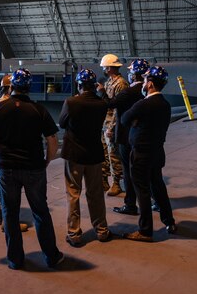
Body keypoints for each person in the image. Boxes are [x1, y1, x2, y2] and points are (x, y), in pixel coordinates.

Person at [0, 69, 64, 270]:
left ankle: (15, 260)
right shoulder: (38, 110)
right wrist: (47, 160)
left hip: (6, 168)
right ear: (29, 87)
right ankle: (51, 257)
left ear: (11, 86)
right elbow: (52, 140)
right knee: (40, 211)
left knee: (10, 213)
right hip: (33, 167)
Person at [120, 66, 178, 242]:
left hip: (141, 155)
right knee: (158, 188)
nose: (143, 83)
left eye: (145, 80)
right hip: (157, 152)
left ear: (150, 83)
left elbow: (124, 120)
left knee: (142, 191)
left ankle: (145, 231)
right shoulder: (165, 104)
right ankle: (169, 222)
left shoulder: (143, 104)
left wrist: (136, 123)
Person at [59, 69, 111, 247]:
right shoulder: (102, 104)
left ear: (79, 85)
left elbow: (62, 123)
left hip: (74, 154)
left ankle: (74, 234)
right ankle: (102, 229)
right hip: (94, 154)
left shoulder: (71, 102)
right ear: (94, 85)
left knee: (73, 193)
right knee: (95, 193)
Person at [103, 59, 149, 216]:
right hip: (140, 135)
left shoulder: (127, 90)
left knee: (128, 170)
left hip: (125, 135)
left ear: (135, 75)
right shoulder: (146, 92)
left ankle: (130, 204)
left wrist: (101, 92)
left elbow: (112, 105)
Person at [0, 74, 26, 232]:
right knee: (10, 187)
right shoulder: (9, 104)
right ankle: (9, 223)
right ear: (10, 87)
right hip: (6, 149)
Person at [97, 53, 129, 195]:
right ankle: (104, 181)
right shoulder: (109, 81)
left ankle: (116, 183)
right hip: (105, 122)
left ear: (109, 68)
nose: (103, 69)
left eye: (104, 67)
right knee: (104, 152)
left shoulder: (121, 83)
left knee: (113, 154)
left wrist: (111, 127)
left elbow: (118, 107)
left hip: (112, 125)